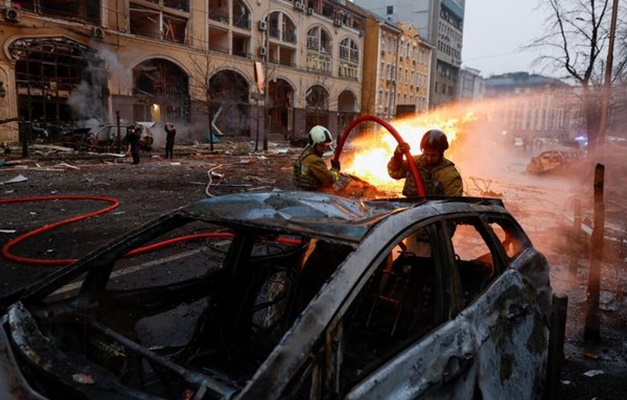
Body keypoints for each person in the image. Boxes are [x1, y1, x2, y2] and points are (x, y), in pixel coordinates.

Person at [388, 129, 463, 197]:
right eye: (426, 154)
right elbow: (394, 172)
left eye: (433, 155)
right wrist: (397, 156)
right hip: (410, 207)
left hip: (434, 211)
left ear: (441, 153)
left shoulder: (449, 174)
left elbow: (453, 202)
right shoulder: (414, 162)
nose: (429, 158)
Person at [293, 125, 341, 191]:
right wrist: (335, 170)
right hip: (312, 193)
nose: (325, 148)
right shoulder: (314, 160)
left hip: (301, 189)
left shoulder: (306, 152)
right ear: (314, 144)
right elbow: (329, 179)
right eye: (322, 145)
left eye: (326, 145)